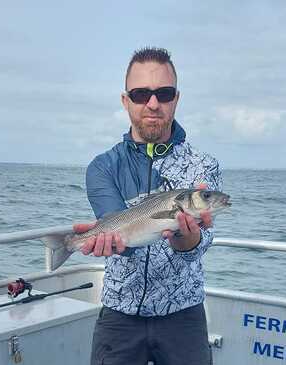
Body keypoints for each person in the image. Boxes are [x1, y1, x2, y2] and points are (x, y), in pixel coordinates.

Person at [74, 47, 222, 365]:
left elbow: (200, 246)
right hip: (120, 313)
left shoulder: (203, 166)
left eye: (163, 93)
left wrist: (187, 239)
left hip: (184, 313)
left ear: (176, 99)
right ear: (125, 100)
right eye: (141, 94)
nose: (153, 104)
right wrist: (105, 241)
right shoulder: (102, 167)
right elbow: (123, 238)